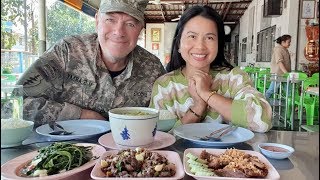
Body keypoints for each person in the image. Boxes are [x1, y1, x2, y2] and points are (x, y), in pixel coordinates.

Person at [16, 0, 166, 127]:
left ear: (140, 29)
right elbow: (15, 104)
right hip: (65, 151)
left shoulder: (153, 68)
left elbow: (166, 116)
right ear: (97, 21)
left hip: (129, 155)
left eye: (130, 24)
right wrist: (79, 115)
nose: (118, 32)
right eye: (110, 20)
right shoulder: (68, 52)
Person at [149, 5, 272, 133]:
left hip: (229, 153)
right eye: (192, 36)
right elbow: (158, 137)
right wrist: (198, 107)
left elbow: (262, 121)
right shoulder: (165, 86)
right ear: (178, 44)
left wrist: (206, 94)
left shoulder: (234, 78)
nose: (200, 46)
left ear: (218, 44)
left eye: (209, 38)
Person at [265, 35, 292, 99]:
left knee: (289, 91)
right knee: (272, 90)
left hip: (284, 74)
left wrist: (287, 73)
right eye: (289, 42)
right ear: (283, 42)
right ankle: (262, 102)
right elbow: (279, 62)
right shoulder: (278, 49)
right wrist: (286, 73)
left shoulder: (285, 49)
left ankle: (291, 105)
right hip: (278, 74)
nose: (290, 44)